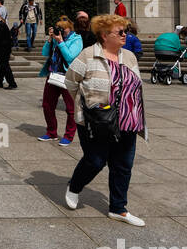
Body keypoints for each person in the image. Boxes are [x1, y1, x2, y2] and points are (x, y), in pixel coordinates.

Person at [63, 13, 147, 227]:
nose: (125, 35)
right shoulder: (88, 55)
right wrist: (87, 104)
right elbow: (71, 82)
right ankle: (74, 186)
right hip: (96, 120)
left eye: (125, 31)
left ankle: (118, 208)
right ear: (104, 35)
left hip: (127, 120)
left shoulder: (129, 56)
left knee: (123, 165)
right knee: (95, 160)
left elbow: (136, 85)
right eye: (120, 32)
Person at [38, 19, 82, 144]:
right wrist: (50, 39)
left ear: (70, 28)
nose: (61, 30)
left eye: (63, 28)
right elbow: (45, 53)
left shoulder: (76, 40)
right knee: (47, 105)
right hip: (53, 74)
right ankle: (51, 132)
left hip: (68, 76)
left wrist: (61, 42)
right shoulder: (56, 38)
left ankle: (68, 135)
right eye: (58, 28)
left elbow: (69, 57)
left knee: (70, 108)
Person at [0, 10, 17, 90]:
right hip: (1, 49)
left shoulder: (1, 25)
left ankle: (12, 83)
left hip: (3, 50)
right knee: (3, 66)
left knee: (5, 66)